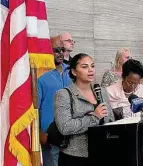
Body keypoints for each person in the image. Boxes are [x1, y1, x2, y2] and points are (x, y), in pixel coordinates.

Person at [54, 53, 115, 166]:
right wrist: (94, 117)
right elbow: (65, 127)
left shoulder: (101, 91)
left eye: (92, 66)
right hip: (75, 156)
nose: (90, 70)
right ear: (74, 71)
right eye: (84, 67)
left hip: (101, 152)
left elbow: (110, 119)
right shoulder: (63, 94)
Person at [38, 36, 71, 166]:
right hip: (49, 136)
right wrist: (40, 132)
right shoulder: (40, 75)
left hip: (70, 134)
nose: (61, 53)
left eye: (62, 50)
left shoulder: (71, 72)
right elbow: (35, 108)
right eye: (56, 50)